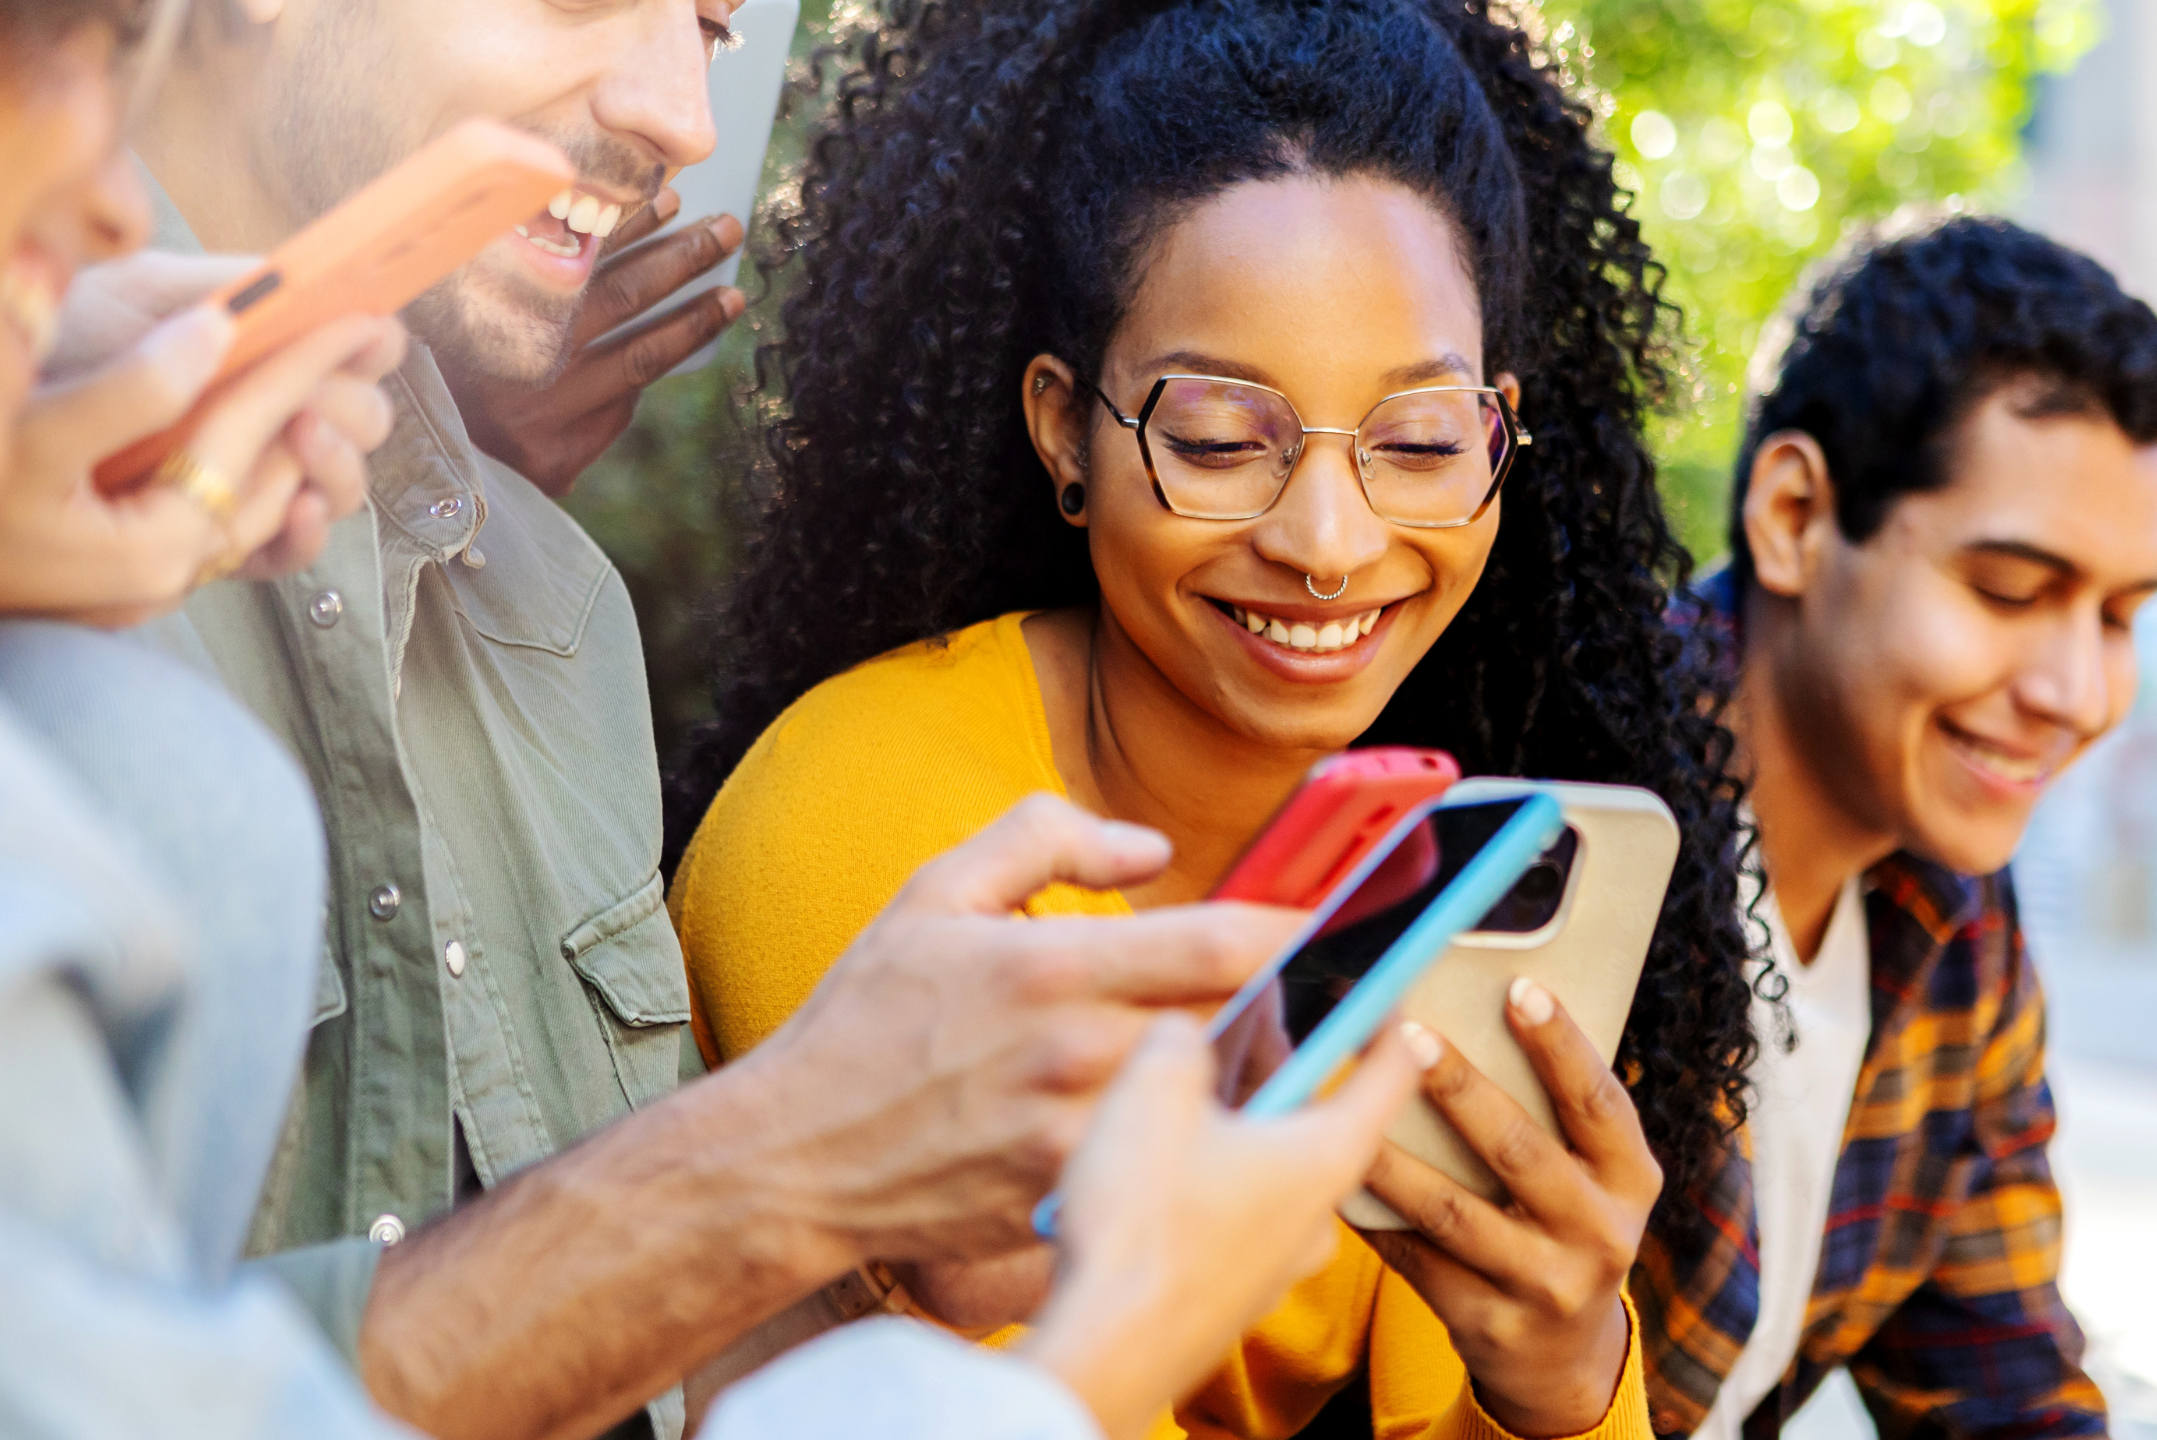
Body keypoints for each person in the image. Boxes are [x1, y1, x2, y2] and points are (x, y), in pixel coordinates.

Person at [0, 18, 1436, 1439]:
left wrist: (872, 1247)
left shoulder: (550, 611)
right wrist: (1039, 1311)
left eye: (709, 21)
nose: (680, 116)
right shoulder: (46, 684)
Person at [666, 3, 1756, 1436]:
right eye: (1222, 439)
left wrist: (1557, 1378)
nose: (1328, 537)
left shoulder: (1458, 860)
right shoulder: (860, 827)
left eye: (1420, 443)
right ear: (1066, 427)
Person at [1636, 212, 2157, 1439]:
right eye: (2010, 590)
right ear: (1793, 517)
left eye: (2118, 617)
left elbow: (2001, 1388)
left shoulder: (1955, 908)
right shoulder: (1576, 836)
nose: (2074, 691)